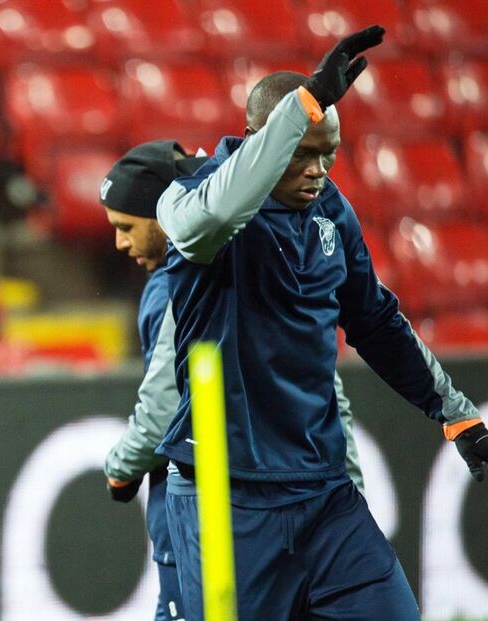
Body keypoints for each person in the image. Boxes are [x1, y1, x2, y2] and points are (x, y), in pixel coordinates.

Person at [155, 26, 488, 620]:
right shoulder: (189, 197)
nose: (318, 170)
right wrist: (302, 107)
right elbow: (206, 221)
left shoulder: (331, 211)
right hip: (227, 496)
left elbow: (375, 320)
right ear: (259, 140)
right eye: (301, 152)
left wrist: (458, 417)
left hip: (324, 493)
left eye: (328, 152)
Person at [100, 141, 367, 621]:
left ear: (164, 212)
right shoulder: (259, 262)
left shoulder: (177, 285)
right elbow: (325, 383)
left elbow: (166, 401)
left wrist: (120, 467)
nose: (120, 243)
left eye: (126, 227)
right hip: (284, 494)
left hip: (217, 501)